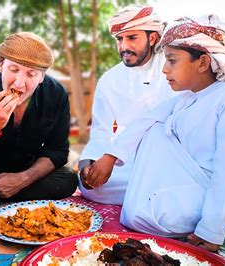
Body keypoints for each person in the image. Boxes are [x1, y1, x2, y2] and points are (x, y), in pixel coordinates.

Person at [85, 14, 225, 252]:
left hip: (212, 194)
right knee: (152, 127)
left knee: (156, 132)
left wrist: (211, 230)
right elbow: (142, 121)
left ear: (202, 63)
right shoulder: (186, 97)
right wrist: (109, 158)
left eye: (172, 61)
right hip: (180, 183)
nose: (165, 69)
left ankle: (199, 219)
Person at [0, 32, 78, 203]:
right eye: (13, 69)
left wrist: (23, 179)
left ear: (42, 77)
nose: (19, 83)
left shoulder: (56, 94)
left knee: (68, 179)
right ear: (1, 65)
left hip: (25, 167)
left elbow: (57, 151)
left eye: (31, 74)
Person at [77, 5, 176, 205]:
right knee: (90, 186)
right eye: (119, 39)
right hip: (128, 162)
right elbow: (101, 131)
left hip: (171, 160)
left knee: (169, 182)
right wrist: (88, 163)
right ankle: (151, 198)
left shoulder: (172, 69)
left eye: (132, 38)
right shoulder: (110, 79)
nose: (123, 47)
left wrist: (112, 156)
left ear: (153, 38)